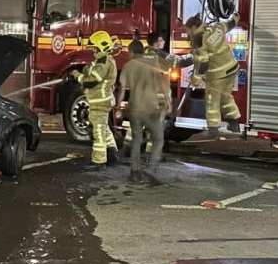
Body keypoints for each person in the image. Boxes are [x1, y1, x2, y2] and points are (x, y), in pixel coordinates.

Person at [122, 33, 193, 160]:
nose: (164, 42)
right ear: (155, 43)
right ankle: (150, 154)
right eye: (161, 39)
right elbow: (181, 61)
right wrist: (198, 54)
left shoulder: (139, 54)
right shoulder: (160, 57)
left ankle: (129, 147)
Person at [115, 40, 167, 183]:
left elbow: (122, 89)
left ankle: (135, 171)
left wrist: (118, 107)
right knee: (158, 138)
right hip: (151, 108)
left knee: (136, 139)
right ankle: (151, 169)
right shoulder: (152, 63)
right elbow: (162, 81)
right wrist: (168, 100)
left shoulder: (127, 66)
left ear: (131, 52)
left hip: (135, 108)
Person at [184, 12, 241, 139]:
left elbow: (203, 64)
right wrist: (236, 14)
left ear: (193, 28)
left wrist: (196, 78)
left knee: (212, 102)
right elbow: (231, 23)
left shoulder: (198, 40)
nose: (188, 34)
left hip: (217, 75)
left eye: (187, 30)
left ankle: (213, 130)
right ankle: (233, 123)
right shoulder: (216, 27)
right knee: (226, 96)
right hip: (231, 69)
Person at [71, 30, 119, 171]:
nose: (92, 50)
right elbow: (93, 72)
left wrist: (78, 76)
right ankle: (112, 154)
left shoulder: (104, 61)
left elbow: (92, 81)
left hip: (100, 102)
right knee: (104, 128)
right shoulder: (104, 60)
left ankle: (98, 161)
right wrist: (85, 70)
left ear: (101, 46)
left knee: (98, 130)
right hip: (102, 100)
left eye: (94, 47)